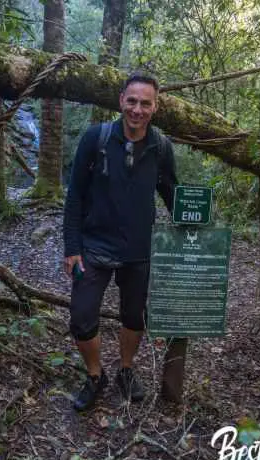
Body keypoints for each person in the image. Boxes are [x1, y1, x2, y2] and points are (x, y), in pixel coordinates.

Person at [63, 72, 177, 411]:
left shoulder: (161, 147)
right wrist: (72, 249)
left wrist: (197, 236)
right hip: (94, 247)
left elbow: (173, 196)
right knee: (82, 318)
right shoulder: (95, 139)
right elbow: (75, 197)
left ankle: (126, 370)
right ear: (120, 101)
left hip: (139, 251)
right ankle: (95, 376)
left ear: (155, 106)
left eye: (145, 103)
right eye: (132, 101)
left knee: (133, 316)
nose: (137, 110)